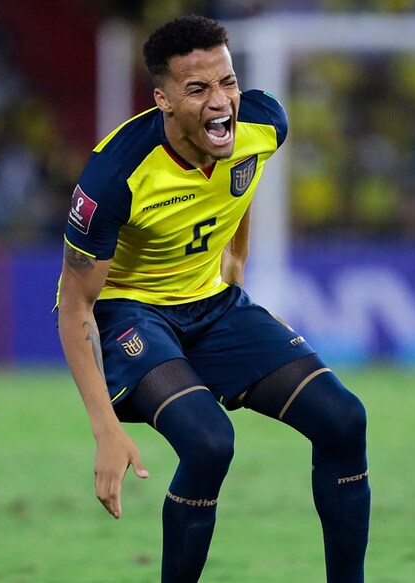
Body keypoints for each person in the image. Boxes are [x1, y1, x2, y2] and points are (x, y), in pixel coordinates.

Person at [55, 15, 370, 582]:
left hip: (211, 304)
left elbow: (240, 179)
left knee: (344, 420)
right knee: (208, 442)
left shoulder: (263, 122)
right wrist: (106, 431)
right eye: (197, 89)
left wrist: (236, 259)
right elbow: (74, 305)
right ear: (164, 99)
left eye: (226, 81)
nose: (220, 101)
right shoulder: (114, 176)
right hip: (128, 312)